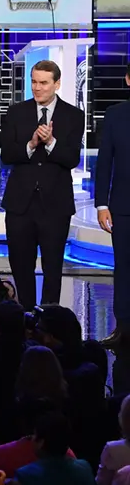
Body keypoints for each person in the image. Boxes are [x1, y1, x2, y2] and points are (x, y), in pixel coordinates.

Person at [0, 60, 84, 310]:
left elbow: (71, 159)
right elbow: (7, 155)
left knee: (52, 266)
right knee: (21, 264)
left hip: (55, 205)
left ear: (57, 84)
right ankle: (25, 318)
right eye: (34, 82)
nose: (37, 88)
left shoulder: (73, 115)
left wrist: (51, 143)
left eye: (44, 83)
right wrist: (32, 144)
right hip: (20, 204)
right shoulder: (16, 113)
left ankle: (48, 322)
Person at [96, 64, 130, 348]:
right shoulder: (115, 115)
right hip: (122, 205)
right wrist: (101, 205)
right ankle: (123, 329)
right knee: (124, 268)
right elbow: (104, 161)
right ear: (128, 79)